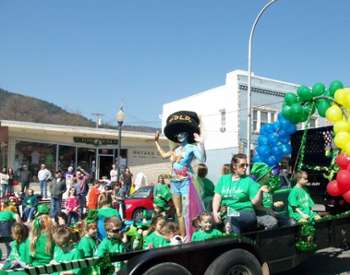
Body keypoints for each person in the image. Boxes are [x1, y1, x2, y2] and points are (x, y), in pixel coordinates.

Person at [154, 111, 206, 239]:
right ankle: (183, 235)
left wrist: (201, 143)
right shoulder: (175, 149)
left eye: (182, 133)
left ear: (187, 134)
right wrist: (156, 142)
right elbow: (163, 155)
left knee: (186, 210)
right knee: (178, 212)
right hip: (174, 182)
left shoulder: (191, 148)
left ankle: (189, 234)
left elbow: (203, 159)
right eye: (178, 134)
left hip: (185, 182)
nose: (180, 135)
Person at [212, 153, 268, 234]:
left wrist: (260, 192)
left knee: (232, 219)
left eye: (246, 165)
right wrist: (214, 212)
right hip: (226, 213)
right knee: (207, 220)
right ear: (234, 166)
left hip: (245, 212)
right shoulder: (223, 179)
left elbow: (255, 202)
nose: (245, 168)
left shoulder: (249, 181)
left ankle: (236, 244)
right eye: (242, 165)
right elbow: (217, 197)